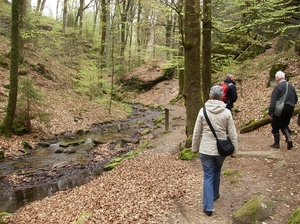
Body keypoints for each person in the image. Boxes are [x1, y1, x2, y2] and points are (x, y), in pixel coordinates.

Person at [192, 85, 238, 217]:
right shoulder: (227, 112)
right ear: (222, 96)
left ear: (211, 96)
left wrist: (194, 148)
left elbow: (197, 132)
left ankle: (208, 207)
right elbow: (232, 134)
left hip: (206, 149)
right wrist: (234, 151)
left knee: (208, 175)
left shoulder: (203, 111)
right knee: (217, 170)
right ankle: (215, 194)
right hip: (221, 149)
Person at [267, 71, 298, 149]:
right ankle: (289, 139)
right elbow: (296, 99)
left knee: (275, 125)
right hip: (291, 108)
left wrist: (270, 113)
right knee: (285, 125)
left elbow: (273, 101)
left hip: (280, 109)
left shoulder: (277, 87)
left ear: (277, 78)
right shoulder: (291, 86)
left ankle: (276, 143)